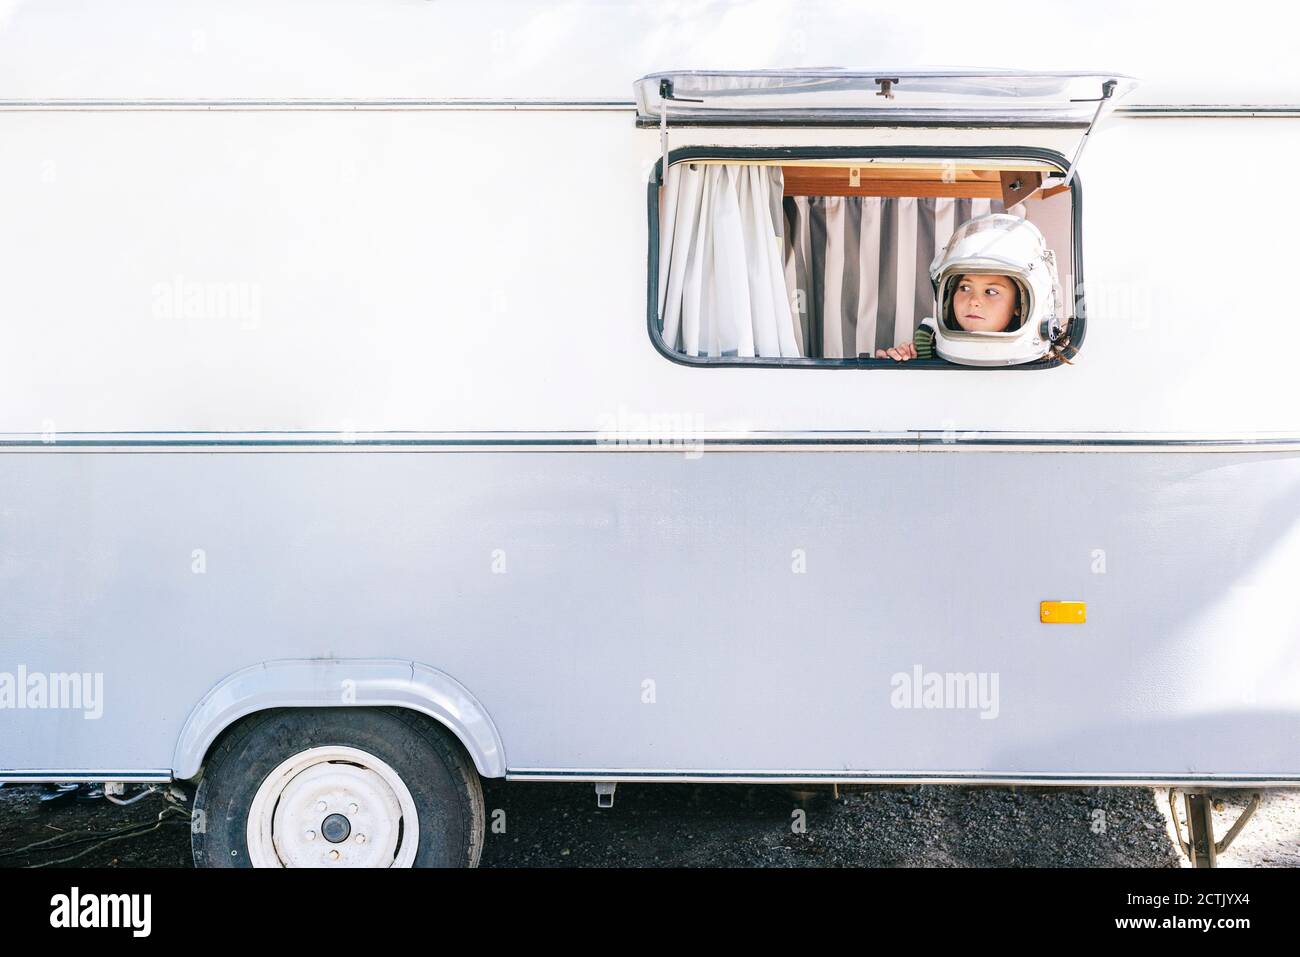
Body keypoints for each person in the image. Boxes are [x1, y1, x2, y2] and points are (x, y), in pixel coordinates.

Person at [874, 213, 1068, 367]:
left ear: (1020, 305)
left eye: (991, 292)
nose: (974, 300)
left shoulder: (1045, 367)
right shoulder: (927, 346)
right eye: (965, 287)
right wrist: (900, 367)